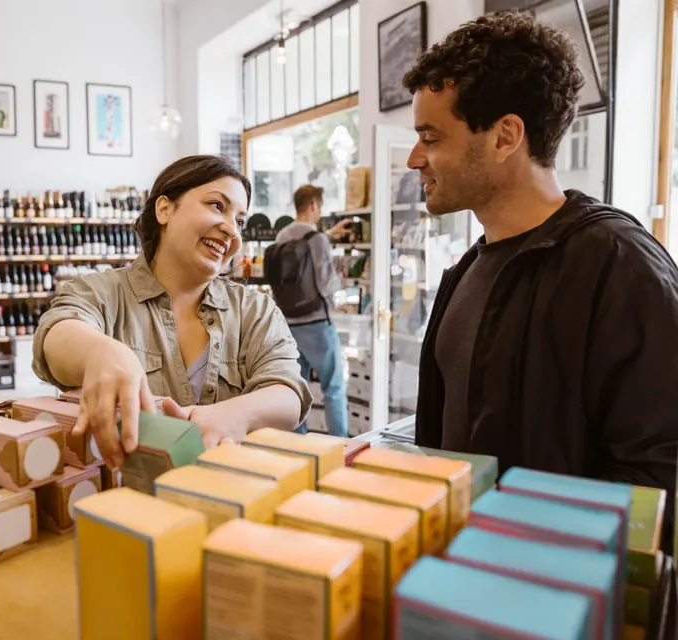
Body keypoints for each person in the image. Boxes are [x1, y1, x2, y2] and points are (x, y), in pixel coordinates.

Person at [403, 10, 678, 542]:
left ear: (506, 136)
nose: (416, 158)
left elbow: (660, 475)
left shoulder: (619, 264)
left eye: (432, 137)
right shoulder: (468, 268)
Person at [32, 155, 312, 469]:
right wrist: (100, 352)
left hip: (232, 497)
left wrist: (235, 415)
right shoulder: (101, 293)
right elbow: (55, 336)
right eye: (217, 206)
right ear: (164, 209)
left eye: (240, 221)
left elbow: (288, 393)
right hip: (124, 501)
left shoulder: (254, 310)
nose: (232, 230)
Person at [270, 185, 351, 437]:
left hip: (289, 323)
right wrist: (343, 282)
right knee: (334, 388)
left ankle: (298, 445)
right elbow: (326, 282)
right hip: (317, 324)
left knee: (298, 388)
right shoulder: (317, 239)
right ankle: (341, 447)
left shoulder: (282, 235)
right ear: (314, 206)